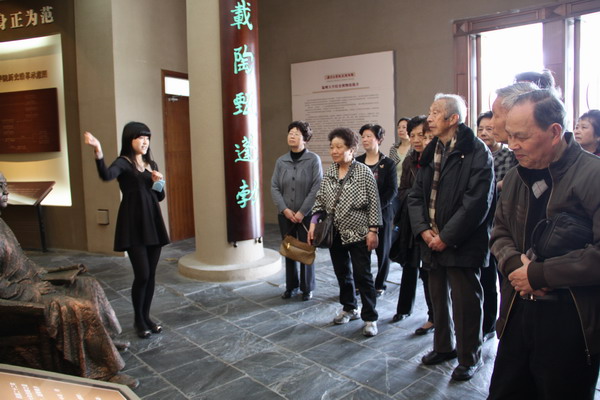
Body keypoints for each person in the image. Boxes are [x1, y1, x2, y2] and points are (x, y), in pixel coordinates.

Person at [488, 89, 600, 400]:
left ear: (553, 132)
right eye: (510, 135)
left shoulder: (593, 175)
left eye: (521, 136)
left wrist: (538, 275)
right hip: (517, 309)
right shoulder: (515, 176)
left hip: (571, 322)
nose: (512, 145)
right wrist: (516, 267)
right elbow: (499, 232)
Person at [0, 172, 137, 388]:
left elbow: (21, 262)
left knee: (87, 284)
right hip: (15, 299)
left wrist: (54, 272)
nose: (6, 191)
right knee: (75, 307)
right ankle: (101, 372)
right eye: (0, 187)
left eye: (5, 185)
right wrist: (33, 290)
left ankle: (105, 343)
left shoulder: (1, 223)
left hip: (32, 280)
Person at [408, 93, 495, 381]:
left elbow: (477, 203)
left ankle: (470, 357)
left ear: (453, 118)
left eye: (435, 112)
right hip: (431, 239)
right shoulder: (431, 149)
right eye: (430, 111)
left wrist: (446, 236)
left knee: (466, 302)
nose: (429, 118)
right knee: (437, 299)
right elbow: (415, 195)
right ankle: (443, 347)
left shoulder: (477, 151)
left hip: (462, 241)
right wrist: (423, 230)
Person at [84, 122, 170, 339]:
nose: (145, 142)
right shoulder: (123, 163)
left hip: (153, 223)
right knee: (142, 274)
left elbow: (159, 196)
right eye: (140, 137)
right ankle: (138, 320)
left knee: (151, 275)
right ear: (129, 139)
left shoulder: (151, 164)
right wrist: (98, 150)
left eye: (147, 138)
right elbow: (106, 175)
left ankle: (147, 317)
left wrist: (158, 182)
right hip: (133, 224)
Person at [308, 127, 382, 337]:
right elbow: (320, 200)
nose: (334, 151)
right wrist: (313, 222)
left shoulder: (363, 172)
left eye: (339, 147)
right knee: (342, 273)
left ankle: (370, 317)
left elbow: (374, 204)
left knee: (363, 275)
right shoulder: (330, 171)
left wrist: (373, 231)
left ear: (351, 149)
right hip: (336, 233)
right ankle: (349, 307)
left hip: (359, 233)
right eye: (332, 147)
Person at [391, 116, 434, 336]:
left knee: (428, 272)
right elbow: (402, 190)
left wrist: (417, 196)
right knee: (409, 266)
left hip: (431, 223)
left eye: (422, 136)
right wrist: (415, 196)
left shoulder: (437, 160)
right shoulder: (409, 160)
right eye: (413, 135)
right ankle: (403, 309)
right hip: (410, 220)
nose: (417, 140)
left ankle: (433, 316)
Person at [271, 121, 322, 301]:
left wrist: (302, 212)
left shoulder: (313, 160)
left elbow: (317, 187)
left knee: (306, 249)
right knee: (289, 249)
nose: (292, 136)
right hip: (285, 216)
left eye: (297, 134)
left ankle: (307, 287)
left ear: (305, 139)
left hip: (306, 216)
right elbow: (274, 187)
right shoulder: (281, 161)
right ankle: (291, 286)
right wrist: (284, 209)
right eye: (290, 133)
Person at [475, 111, 507, 341]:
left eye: (489, 128)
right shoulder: (476, 155)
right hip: (481, 225)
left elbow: (507, 184)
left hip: (503, 225)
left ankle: (504, 323)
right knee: (485, 278)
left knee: (504, 279)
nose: (484, 133)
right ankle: (487, 325)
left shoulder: (508, 155)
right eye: (480, 129)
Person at [356, 124, 397, 297]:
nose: (365, 140)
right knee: (361, 252)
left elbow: (392, 190)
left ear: (379, 140)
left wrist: (375, 208)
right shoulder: (357, 162)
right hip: (361, 214)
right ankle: (361, 283)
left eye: (369, 136)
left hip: (383, 213)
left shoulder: (388, 163)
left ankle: (379, 284)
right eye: (363, 136)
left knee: (383, 251)